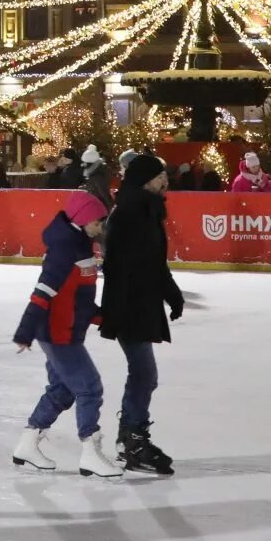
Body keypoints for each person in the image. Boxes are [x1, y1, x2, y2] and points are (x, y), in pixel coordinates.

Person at [11, 185, 118, 478]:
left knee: (62, 390)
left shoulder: (81, 245)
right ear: (82, 219)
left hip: (68, 330)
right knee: (89, 388)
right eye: (98, 221)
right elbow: (42, 292)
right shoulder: (63, 250)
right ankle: (90, 453)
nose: (100, 226)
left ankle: (28, 444)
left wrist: (103, 318)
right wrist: (25, 331)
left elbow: (79, 299)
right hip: (59, 334)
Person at [96, 153, 182, 475]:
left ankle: (131, 437)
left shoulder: (146, 210)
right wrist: (121, 309)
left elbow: (155, 262)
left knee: (144, 374)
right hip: (129, 306)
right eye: (161, 176)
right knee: (144, 373)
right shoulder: (130, 213)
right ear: (147, 179)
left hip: (140, 303)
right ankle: (132, 440)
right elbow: (118, 266)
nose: (166, 181)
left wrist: (171, 295)